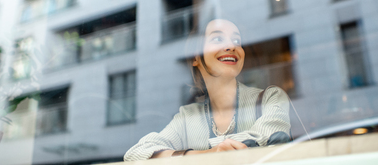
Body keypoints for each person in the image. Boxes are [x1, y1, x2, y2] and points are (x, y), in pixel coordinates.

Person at [124, 19, 291, 161]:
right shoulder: (188, 116)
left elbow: (270, 140)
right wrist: (206, 154)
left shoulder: (270, 97)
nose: (231, 47)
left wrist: (181, 157)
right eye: (218, 39)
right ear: (196, 56)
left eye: (236, 41)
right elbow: (135, 154)